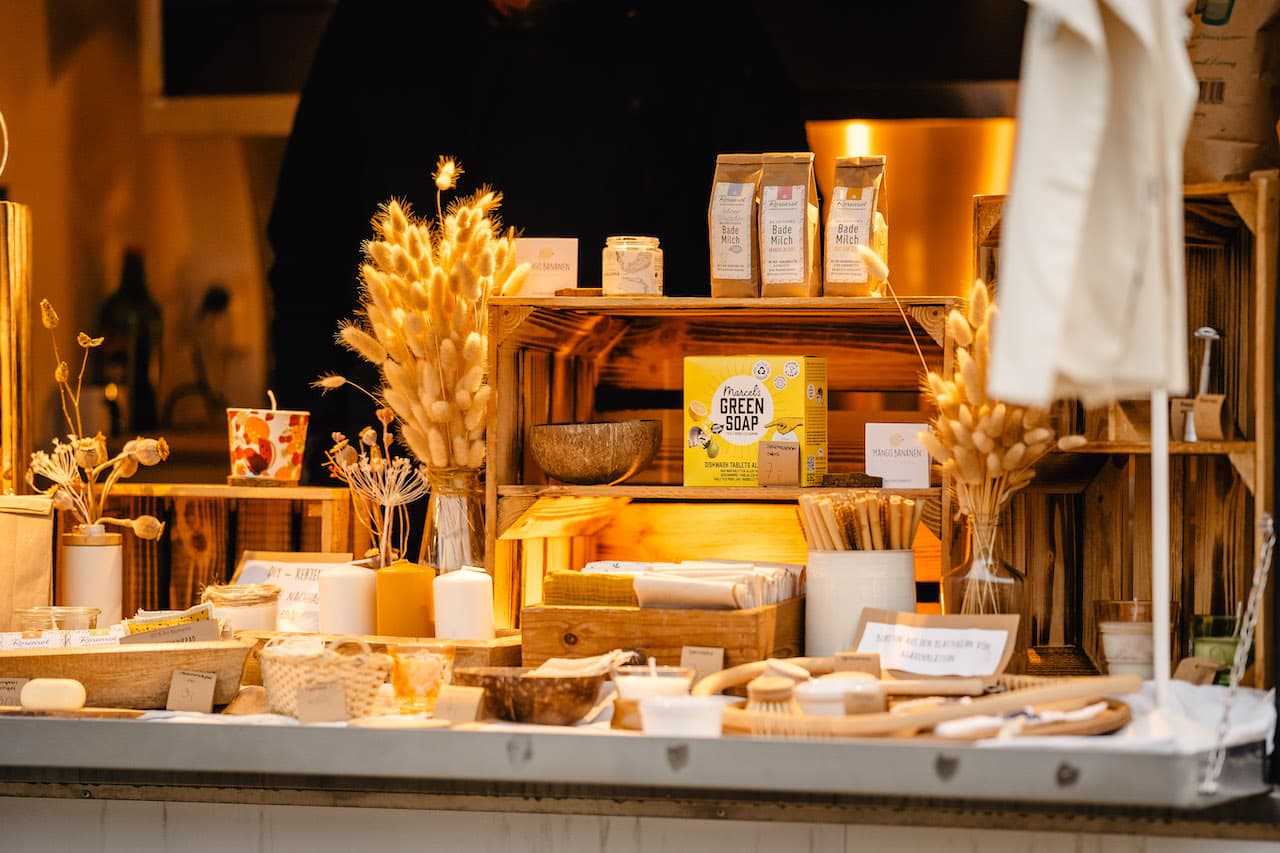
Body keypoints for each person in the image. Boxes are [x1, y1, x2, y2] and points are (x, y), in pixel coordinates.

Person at [266, 0, 809, 486]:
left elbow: (783, 252)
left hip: (650, 459)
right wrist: (321, 453)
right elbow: (306, 260)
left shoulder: (698, 27)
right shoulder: (379, 29)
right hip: (406, 469)